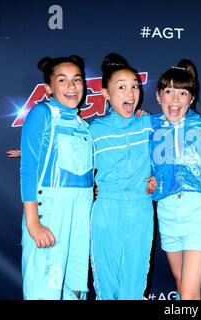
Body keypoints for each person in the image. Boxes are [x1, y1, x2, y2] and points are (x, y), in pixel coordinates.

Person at [20, 55, 94, 300]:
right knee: (45, 290)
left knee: (73, 289)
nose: (71, 86)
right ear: (49, 88)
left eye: (77, 79)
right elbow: (28, 170)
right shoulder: (41, 113)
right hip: (50, 216)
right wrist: (34, 223)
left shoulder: (84, 125)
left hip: (80, 219)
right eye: (62, 80)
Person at [149, 59, 201, 300]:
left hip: (197, 209)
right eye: (168, 91)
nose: (175, 99)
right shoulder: (149, 126)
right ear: (158, 96)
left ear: (191, 98)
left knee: (190, 293)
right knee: (180, 284)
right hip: (166, 210)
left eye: (183, 92)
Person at [88, 53, 156, 300]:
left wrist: (159, 175)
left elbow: (179, 149)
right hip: (106, 210)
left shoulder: (149, 123)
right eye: (122, 87)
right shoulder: (95, 130)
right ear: (105, 93)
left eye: (135, 86)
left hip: (141, 209)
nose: (130, 93)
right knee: (107, 285)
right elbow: (75, 165)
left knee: (134, 284)